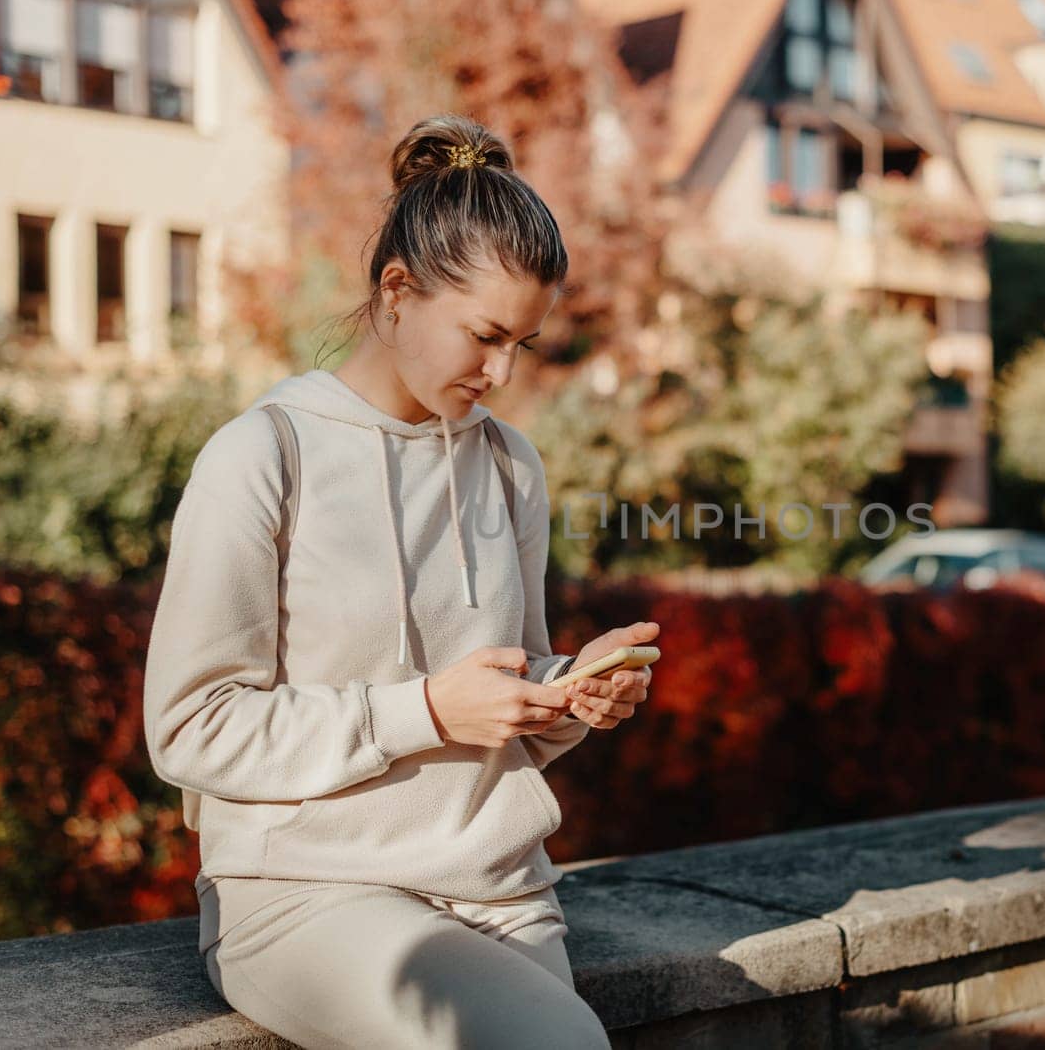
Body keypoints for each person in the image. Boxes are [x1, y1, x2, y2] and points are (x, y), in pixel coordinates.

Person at [141, 113, 658, 1049]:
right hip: (304, 891)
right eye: (485, 335)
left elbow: (495, 698)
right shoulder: (266, 455)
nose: (501, 372)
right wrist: (423, 711)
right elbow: (189, 727)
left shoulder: (510, 467)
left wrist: (571, 693)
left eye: (523, 345)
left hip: (499, 887)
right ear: (396, 293)